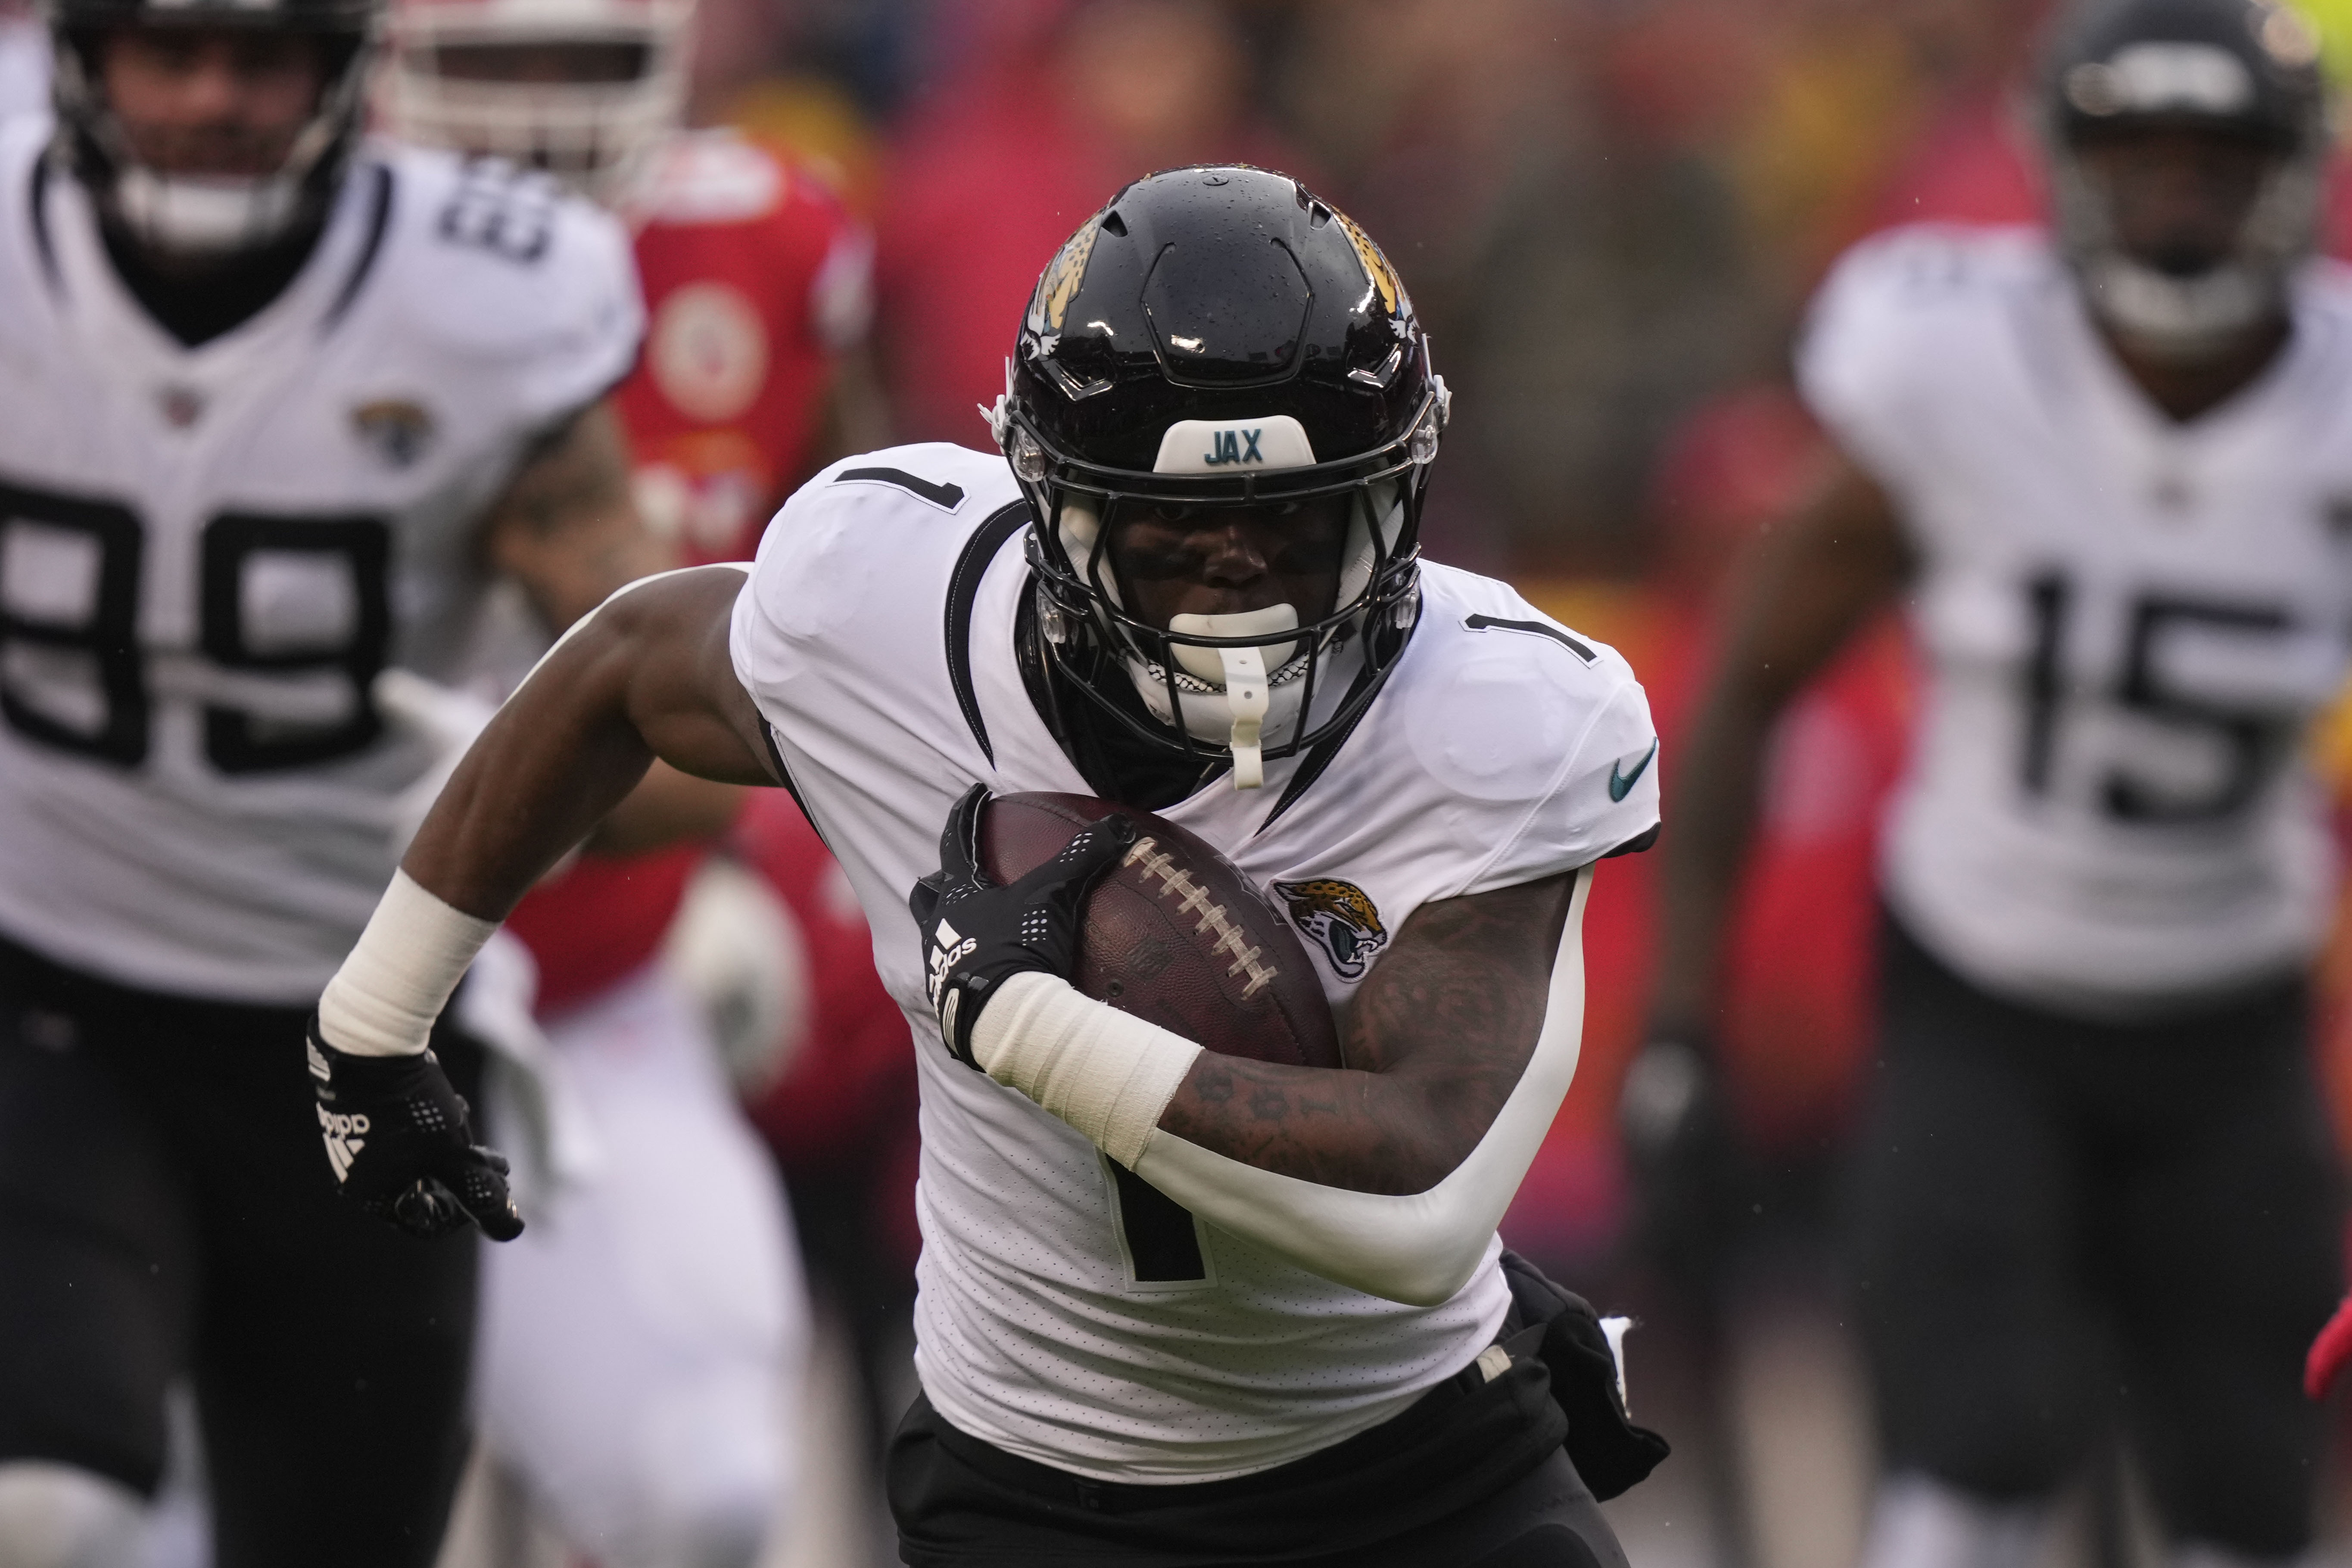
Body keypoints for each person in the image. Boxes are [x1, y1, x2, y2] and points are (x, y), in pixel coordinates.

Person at [306, 164, 1670, 1566]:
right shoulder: (885, 604)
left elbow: (1419, 1223)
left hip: (1418, 1469)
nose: (1239, 577)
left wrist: (1021, 1021)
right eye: (1170, 530)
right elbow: (622, 662)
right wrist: (374, 1018)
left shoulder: (1502, 717)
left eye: (1299, 522)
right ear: (1054, 506)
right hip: (1041, 1489)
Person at [1633, 2, 2349, 1565]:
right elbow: (1751, 680)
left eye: (2217, 160)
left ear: (2294, 173)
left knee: (2250, 1488)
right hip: (1982, 994)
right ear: (2063, 170)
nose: (2176, 200)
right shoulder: (1950, 362)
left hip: (2232, 1011)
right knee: (1972, 1454)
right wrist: (1682, 1015)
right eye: (2136, 157)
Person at [0, 0, 650, 1559]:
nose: (215, 95)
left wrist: (548, 779)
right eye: (169, 48)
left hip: (361, 1024)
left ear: (350, 65)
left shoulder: (488, 297)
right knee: (47, 1503)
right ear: (82, 58)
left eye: (263, 51)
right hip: (44, 983)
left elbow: (657, 678)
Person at [371, 1, 890, 1559]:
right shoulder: (268, 260)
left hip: (589, 987)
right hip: (244, 973)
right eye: (493, 64)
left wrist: (742, 865)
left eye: (575, 63)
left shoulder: (769, 243)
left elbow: (838, 588)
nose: (535, 118)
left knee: (705, 1490)